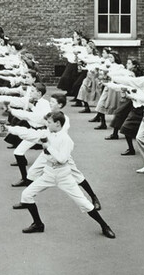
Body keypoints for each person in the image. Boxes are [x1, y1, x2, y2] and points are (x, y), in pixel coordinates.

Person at [18, 111, 115, 239]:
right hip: (48, 174)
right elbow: (30, 134)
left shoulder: (66, 140)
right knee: (26, 194)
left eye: (49, 122)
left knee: (84, 203)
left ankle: (104, 226)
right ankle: (38, 224)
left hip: (63, 176)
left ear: (57, 124)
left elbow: (62, 159)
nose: (47, 124)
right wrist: (11, 129)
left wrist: (48, 146)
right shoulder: (48, 133)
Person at [9, 92, 103, 213]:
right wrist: (15, 112)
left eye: (52, 102)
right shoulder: (50, 116)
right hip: (48, 152)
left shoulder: (63, 120)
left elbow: (56, 135)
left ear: (60, 105)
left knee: (77, 176)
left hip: (60, 152)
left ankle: (94, 197)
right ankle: (26, 200)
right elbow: (34, 118)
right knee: (32, 172)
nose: (50, 104)